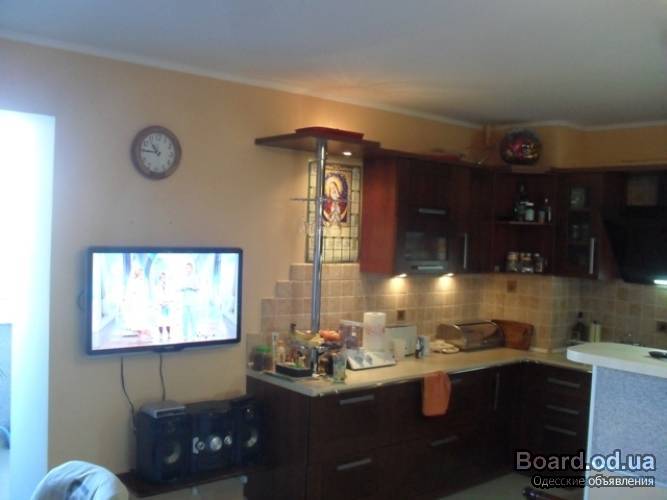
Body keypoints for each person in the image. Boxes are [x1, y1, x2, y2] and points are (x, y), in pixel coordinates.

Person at [122, 265, 150, 338]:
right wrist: (127, 298)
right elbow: (129, 290)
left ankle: (142, 330)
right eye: (139, 271)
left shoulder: (143, 280)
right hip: (135, 300)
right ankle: (138, 330)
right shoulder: (132, 280)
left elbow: (145, 290)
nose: (140, 272)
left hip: (141, 299)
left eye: (141, 271)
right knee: (136, 314)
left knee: (142, 314)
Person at [180, 262, 199, 340]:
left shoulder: (195, 277)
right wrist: (183, 288)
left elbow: (197, 288)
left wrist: (191, 287)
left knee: (193, 319)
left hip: (192, 301)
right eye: (186, 268)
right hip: (185, 301)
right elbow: (180, 288)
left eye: (188, 268)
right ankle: (185, 336)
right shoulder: (183, 278)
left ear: (191, 269)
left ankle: (194, 336)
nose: (187, 269)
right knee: (184, 319)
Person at [154, 272, 173, 341]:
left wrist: (167, 302)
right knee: (160, 322)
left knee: (168, 321)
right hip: (160, 306)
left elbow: (171, 295)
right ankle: (161, 335)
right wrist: (160, 303)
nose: (163, 279)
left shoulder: (169, 285)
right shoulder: (157, 286)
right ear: (160, 278)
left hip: (167, 305)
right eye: (162, 277)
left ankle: (169, 334)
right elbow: (156, 296)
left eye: (164, 277)